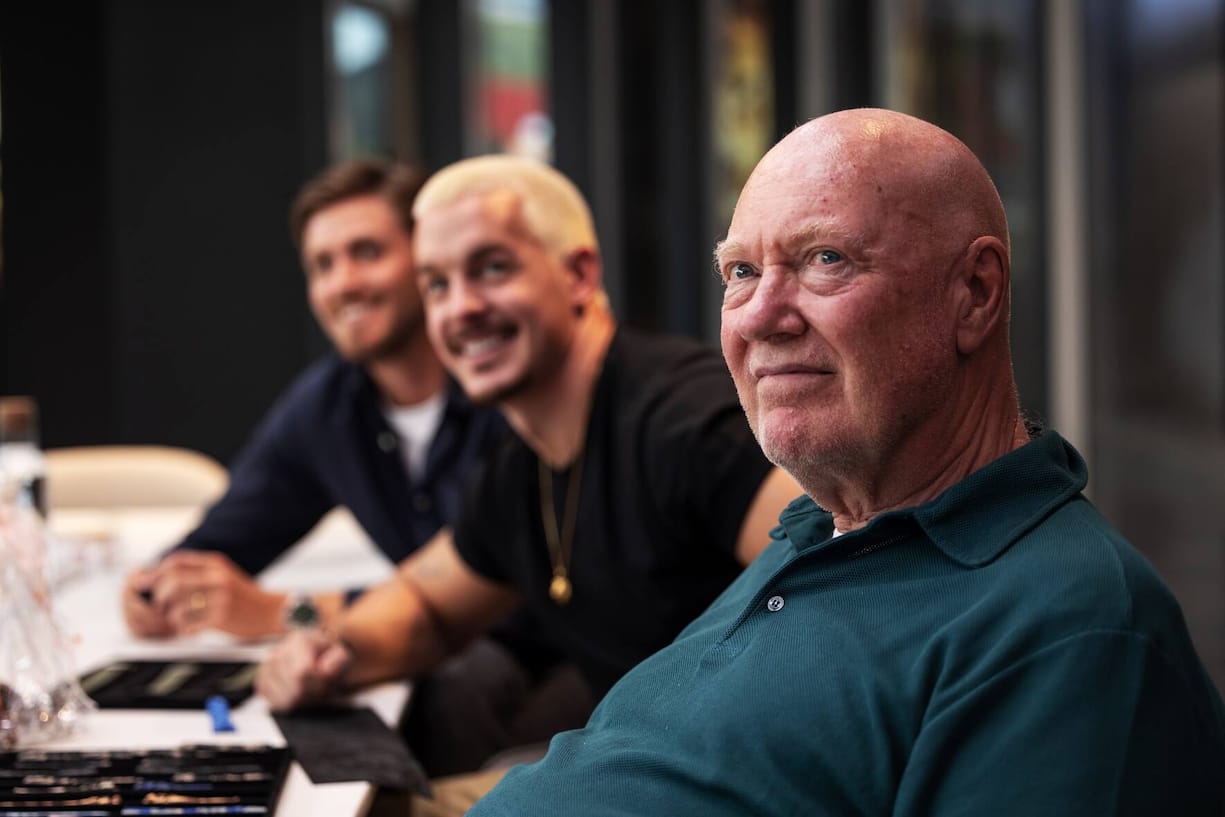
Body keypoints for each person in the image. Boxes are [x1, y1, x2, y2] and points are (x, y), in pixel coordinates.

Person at [469, 109, 1225, 815]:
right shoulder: (815, 532)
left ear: (974, 292)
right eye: (738, 273)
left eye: (824, 259)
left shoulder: (1072, 625)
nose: (760, 316)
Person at [256, 155, 802, 812]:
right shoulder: (523, 464)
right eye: (435, 284)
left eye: (491, 268)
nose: (461, 309)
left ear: (577, 273)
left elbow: (837, 579)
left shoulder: (683, 422)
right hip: (637, 772)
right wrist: (332, 653)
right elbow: (426, 605)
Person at [121, 159, 503, 640]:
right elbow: (220, 544)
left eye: (367, 252)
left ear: (428, 258)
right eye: (322, 265)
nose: (342, 284)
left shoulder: (504, 386)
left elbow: (500, 607)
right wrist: (154, 588)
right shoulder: (327, 407)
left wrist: (286, 613)